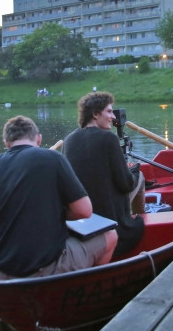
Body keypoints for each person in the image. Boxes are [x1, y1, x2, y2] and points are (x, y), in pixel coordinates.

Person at [0, 115, 117, 279]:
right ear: (38, 139)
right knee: (110, 236)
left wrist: (6, 207)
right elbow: (84, 211)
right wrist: (55, 212)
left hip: (0, 271)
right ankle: (86, 288)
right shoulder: (53, 158)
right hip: (44, 269)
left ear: (7, 143)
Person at [62, 91, 146, 258]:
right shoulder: (109, 139)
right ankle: (137, 216)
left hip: (80, 223)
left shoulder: (68, 140)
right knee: (141, 177)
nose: (113, 117)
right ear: (95, 114)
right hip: (111, 225)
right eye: (109, 111)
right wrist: (135, 172)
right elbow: (126, 184)